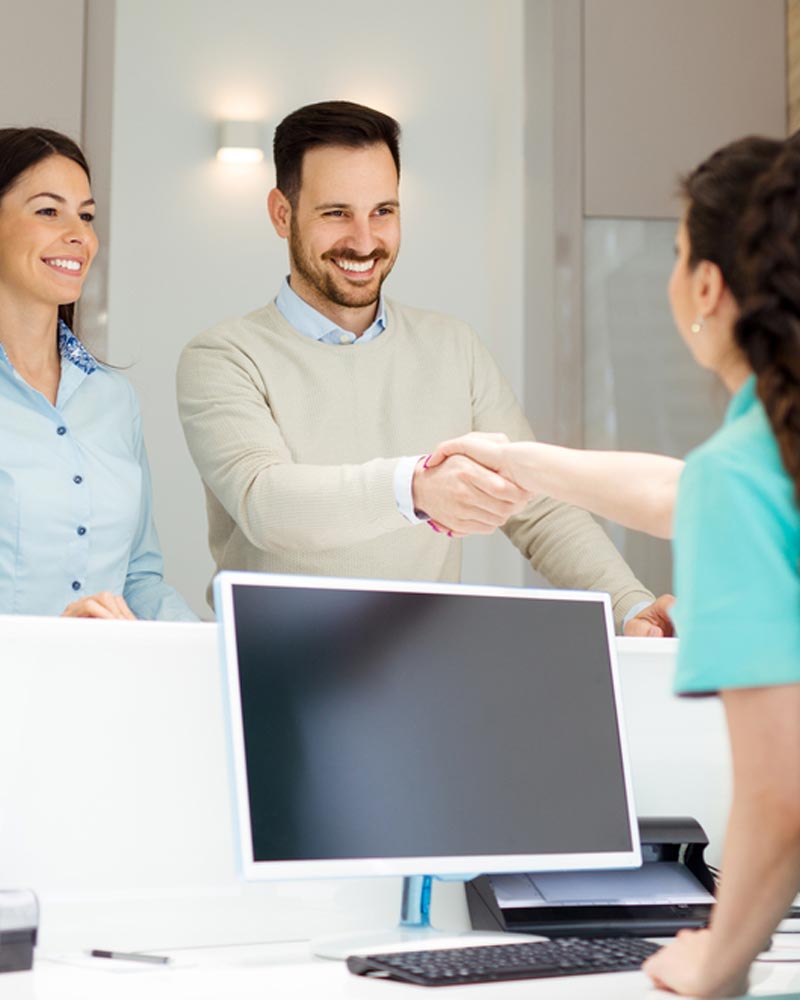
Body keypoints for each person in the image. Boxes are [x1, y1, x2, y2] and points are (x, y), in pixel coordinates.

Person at [429, 133, 800, 998]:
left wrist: (717, 956)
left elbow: (781, 794)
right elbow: (678, 492)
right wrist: (517, 460)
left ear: (706, 286)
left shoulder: (744, 473)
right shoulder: (758, 456)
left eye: (676, 254)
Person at [176, 100, 672, 635]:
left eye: (383, 211)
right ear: (281, 213)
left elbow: (538, 507)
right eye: (336, 212)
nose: (365, 241)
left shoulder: (453, 347)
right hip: (272, 669)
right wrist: (413, 488)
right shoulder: (224, 356)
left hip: (422, 668)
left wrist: (629, 605)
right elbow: (267, 503)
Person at [0, 127, 196, 621]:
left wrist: (210, 652)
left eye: (86, 216)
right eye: (48, 211)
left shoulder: (114, 399)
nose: (80, 235)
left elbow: (139, 579)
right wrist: (50, 639)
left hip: (105, 690)